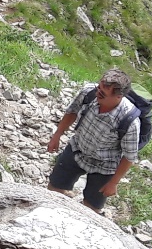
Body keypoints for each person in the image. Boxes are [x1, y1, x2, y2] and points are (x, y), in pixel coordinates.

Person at [44, 68, 140, 212]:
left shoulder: (130, 122)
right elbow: (72, 112)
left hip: (105, 166)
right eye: (98, 87)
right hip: (77, 150)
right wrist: (57, 135)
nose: (97, 93)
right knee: (53, 189)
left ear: (118, 97)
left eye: (103, 93)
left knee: (91, 209)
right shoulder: (88, 93)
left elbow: (129, 156)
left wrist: (113, 183)